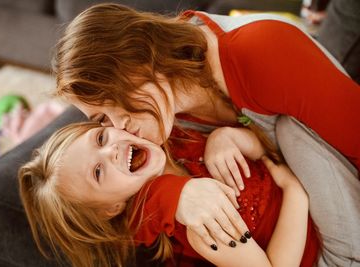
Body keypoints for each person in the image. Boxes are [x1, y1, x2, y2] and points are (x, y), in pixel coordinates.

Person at [52, 3, 360, 263]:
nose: (118, 127)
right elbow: (108, 207)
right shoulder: (156, 124)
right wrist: (175, 196)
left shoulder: (261, 52)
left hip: (343, 224)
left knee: (288, 128)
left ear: (143, 61)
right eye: (101, 119)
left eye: (116, 103)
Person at [18, 121, 320, 267]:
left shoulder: (174, 141)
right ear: (111, 208)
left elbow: (263, 148)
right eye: (97, 172)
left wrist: (226, 138)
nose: (111, 150)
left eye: (100, 137)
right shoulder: (200, 227)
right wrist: (295, 192)